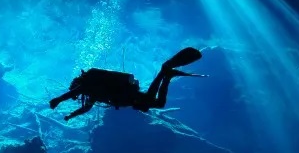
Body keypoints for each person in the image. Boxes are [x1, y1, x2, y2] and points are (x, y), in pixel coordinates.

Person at [49, 47, 205, 121]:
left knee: (155, 101)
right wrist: (71, 115)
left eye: (75, 91)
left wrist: (58, 99)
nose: (76, 96)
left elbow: (77, 91)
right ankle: (166, 74)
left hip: (125, 95)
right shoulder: (92, 92)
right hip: (126, 96)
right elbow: (86, 108)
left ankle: (165, 72)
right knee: (157, 102)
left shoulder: (88, 87)